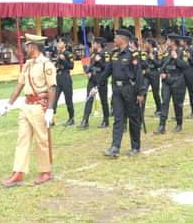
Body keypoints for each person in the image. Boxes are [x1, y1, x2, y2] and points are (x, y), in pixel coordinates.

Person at [0, 33, 56, 187]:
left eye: (27, 45)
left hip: (39, 106)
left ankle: (45, 171)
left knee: (41, 140)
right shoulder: (28, 64)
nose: (25, 48)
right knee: (22, 139)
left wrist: (50, 109)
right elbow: (19, 86)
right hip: (26, 105)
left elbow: (52, 88)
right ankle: (18, 172)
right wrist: (8, 104)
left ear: (33, 47)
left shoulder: (46, 64)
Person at [100, 28, 146, 157]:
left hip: (130, 89)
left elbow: (138, 74)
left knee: (133, 118)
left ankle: (135, 147)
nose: (114, 39)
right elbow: (107, 71)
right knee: (118, 118)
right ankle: (115, 147)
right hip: (117, 90)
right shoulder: (114, 53)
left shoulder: (133, 53)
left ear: (122, 39)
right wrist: (98, 84)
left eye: (116, 37)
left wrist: (140, 93)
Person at [155, 34, 187, 134]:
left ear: (173, 41)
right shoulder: (166, 52)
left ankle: (179, 124)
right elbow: (161, 65)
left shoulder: (182, 52)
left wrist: (176, 58)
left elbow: (184, 66)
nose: (167, 41)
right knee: (164, 102)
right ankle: (162, 125)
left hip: (177, 80)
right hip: (166, 81)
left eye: (168, 40)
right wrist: (162, 73)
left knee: (177, 104)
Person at [79, 37, 110, 129]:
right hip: (92, 78)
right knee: (89, 98)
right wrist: (88, 72)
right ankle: (85, 120)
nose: (92, 45)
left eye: (94, 43)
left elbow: (108, 68)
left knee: (103, 100)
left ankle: (105, 120)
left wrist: (100, 60)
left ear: (98, 44)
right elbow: (89, 65)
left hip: (101, 79)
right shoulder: (93, 54)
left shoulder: (106, 54)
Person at [52, 37, 75, 126]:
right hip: (58, 78)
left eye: (60, 42)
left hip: (65, 77)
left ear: (64, 44)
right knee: (54, 98)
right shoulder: (59, 54)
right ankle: (51, 119)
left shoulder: (68, 54)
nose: (58, 44)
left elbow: (71, 66)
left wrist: (64, 59)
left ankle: (71, 118)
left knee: (68, 99)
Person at [179, 35, 193, 118]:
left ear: (185, 42)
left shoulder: (192, 50)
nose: (180, 42)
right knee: (180, 93)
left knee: (191, 93)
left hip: (190, 73)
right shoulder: (180, 50)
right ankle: (179, 113)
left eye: (182, 41)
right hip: (182, 74)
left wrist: (189, 57)